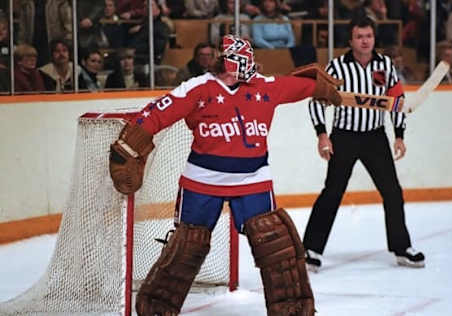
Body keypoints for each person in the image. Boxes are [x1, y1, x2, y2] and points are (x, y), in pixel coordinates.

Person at [108, 35, 342, 316]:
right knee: (186, 247)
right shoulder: (198, 87)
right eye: (246, 62)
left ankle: (291, 310)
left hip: (252, 179)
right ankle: (156, 308)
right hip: (202, 181)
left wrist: (320, 87)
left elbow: (298, 86)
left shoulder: (263, 86)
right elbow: (158, 113)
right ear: (232, 65)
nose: (252, 68)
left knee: (276, 244)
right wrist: (129, 145)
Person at [302, 17, 425, 271]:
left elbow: (396, 101)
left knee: (392, 191)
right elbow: (316, 101)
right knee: (332, 192)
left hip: (375, 137)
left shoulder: (385, 65)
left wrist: (399, 135)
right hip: (344, 137)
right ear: (351, 40)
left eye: (368, 36)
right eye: (360, 36)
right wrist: (322, 135)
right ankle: (310, 249)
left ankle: (402, 248)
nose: (365, 40)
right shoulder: (336, 67)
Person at [17, 0, 73, 67]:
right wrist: (22, 47)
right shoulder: (26, 3)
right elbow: (23, 28)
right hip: (33, 46)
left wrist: (66, 44)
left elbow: (69, 24)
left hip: (54, 47)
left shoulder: (60, 2)